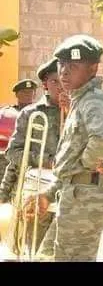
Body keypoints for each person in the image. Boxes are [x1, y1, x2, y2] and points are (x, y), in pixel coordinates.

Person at [25, 34, 103, 261]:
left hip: (86, 200)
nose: (64, 72)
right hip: (76, 195)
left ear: (93, 69)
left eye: (74, 66)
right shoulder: (81, 99)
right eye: (62, 64)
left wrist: (84, 164)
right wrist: (49, 193)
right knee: (46, 256)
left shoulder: (93, 100)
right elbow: (71, 156)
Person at [0, 58, 68, 254]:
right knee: (35, 251)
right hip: (37, 192)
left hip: (69, 194)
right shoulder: (30, 113)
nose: (60, 86)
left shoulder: (80, 111)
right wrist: (46, 160)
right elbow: (13, 152)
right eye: (54, 81)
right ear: (45, 84)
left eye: (63, 80)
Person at [0, 79, 39, 180]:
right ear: (16, 95)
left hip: (32, 160)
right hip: (7, 160)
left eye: (30, 93)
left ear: (34, 95)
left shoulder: (40, 113)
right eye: (24, 92)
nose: (27, 95)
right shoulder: (5, 113)